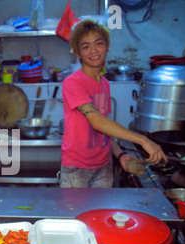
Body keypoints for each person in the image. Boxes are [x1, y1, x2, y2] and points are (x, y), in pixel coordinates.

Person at [60, 20, 167, 188]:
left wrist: (121, 155)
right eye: (86, 46)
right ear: (78, 53)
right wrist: (143, 140)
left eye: (99, 43)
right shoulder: (73, 82)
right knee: (76, 214)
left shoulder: (104, 83)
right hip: (77, 167)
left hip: (103, 165)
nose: (93, 51)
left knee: (102, 213)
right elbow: (97, 121)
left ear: (107, 47)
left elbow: (105, 131)